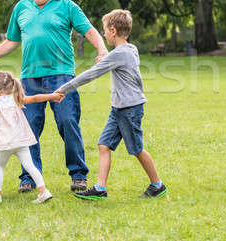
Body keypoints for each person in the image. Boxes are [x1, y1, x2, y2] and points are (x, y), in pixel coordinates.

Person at [0, 0, 108, 193]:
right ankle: (29, 177)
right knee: (28, 129)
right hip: (29, 78)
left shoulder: (67, 6)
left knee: (68, 123)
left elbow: (88, 30)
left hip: (62, 76)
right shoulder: (21, 7)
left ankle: (78, 174)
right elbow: (11, 41)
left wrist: (102, 50)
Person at [56, 10, 167, 200]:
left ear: (113, 31)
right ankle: (100, 188)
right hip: (119, 108)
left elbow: (91, 74)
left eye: (105, 30)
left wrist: (63, 89)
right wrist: (105, 60)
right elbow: (116, 62)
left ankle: (157, 185)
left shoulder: (120, 54)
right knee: (103, 145)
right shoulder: (130, 49)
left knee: (137, 149)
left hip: (129, 109)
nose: (104, 34)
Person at [0, 71, 63, 203]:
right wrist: (52, 95)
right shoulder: (17, 99)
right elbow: (36, 98)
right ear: (13, 85)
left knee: (0, 166)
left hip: (4, 144)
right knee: (30, 166)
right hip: (20, 141)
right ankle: (43, 191)